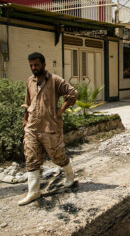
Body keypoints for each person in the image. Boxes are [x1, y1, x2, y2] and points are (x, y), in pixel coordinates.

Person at [18, 52, 78, 206]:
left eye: (36, 65)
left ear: (44, 64)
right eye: (31, 65)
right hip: (32, 126)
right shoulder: (30, 81)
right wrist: (25, 119)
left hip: (50, 127)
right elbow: (28, 101)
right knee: (31, 158)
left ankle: (70, 174)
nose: (34, 68)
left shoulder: (54, 81)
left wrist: (60, 111)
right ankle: (34, 192)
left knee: (57, 156)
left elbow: (72, 93)